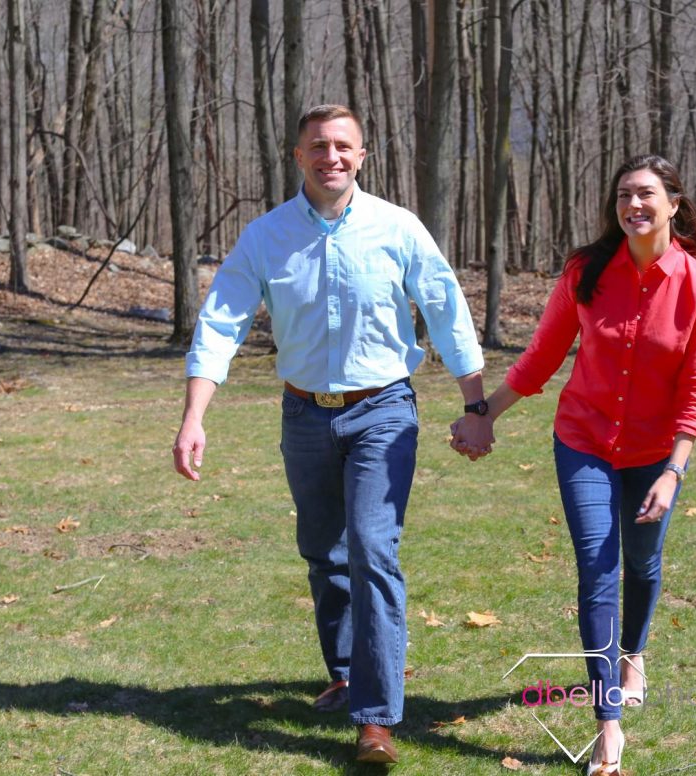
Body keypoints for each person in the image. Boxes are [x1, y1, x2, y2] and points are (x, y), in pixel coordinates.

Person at [172, 104, 488, 764]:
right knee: (324, 549)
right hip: (304, 415)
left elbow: (445, 307)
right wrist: (194, 415)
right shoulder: (266, 236)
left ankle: (376, 718)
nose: (332, 157)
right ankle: (347, 671)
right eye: (319, 146)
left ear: (362, 156)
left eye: (344, 146)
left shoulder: (396, 229)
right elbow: (222, 321)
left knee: (373, 547)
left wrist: (475, 404)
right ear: (298, 156)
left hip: (384, 411)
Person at [451, 155, 696, 775]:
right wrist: (485, 413)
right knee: (598, 570)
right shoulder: (586, 271)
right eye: (625, 195)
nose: (634, 205)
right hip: (584, 443)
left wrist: (674, 470)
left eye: (647, 194)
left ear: (673, 205)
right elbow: (544, 353)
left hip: (656, 454)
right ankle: (608, 727)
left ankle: (636, 652)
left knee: (643, 562)